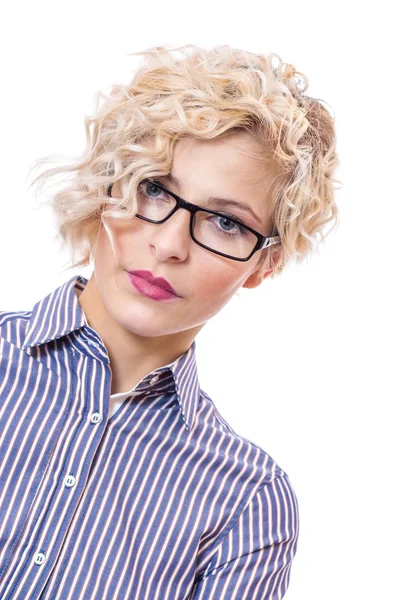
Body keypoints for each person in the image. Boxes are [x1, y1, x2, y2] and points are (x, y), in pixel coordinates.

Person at [0, 43, 340, 599]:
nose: (168, 243)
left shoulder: (246, 503)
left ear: (265, 264)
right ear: (106, 188)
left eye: (226, 223)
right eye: (154, 189)